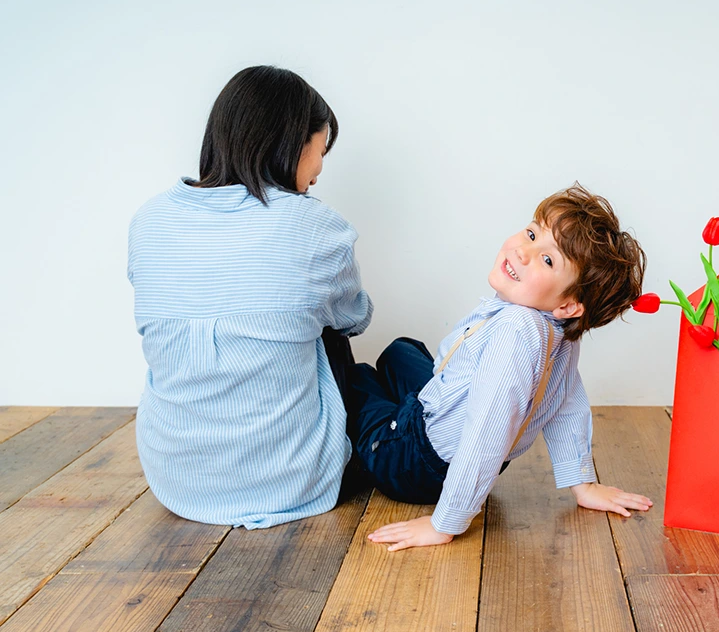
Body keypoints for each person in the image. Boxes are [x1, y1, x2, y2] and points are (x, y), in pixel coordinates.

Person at [127, 66, 372, 528]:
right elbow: (354, 318)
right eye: (320, 151)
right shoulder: (315, 225)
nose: (318, 172)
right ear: (293, 144)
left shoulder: (149, 220)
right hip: (293, 481)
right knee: (330, 331)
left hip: (176, 480)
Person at [360, 184, 653, 551]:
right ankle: (405, 397)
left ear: (568, 305)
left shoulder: (516, 330)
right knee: (400, 351)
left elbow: (486, 431)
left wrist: (445, 523)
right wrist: (583, 483)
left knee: (359, 377)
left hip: (416, 461)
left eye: (548, 260)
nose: (523, 252)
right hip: (443, 420)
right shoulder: (559, 331)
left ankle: (367, 449)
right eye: (532, 234)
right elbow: (567, 402)